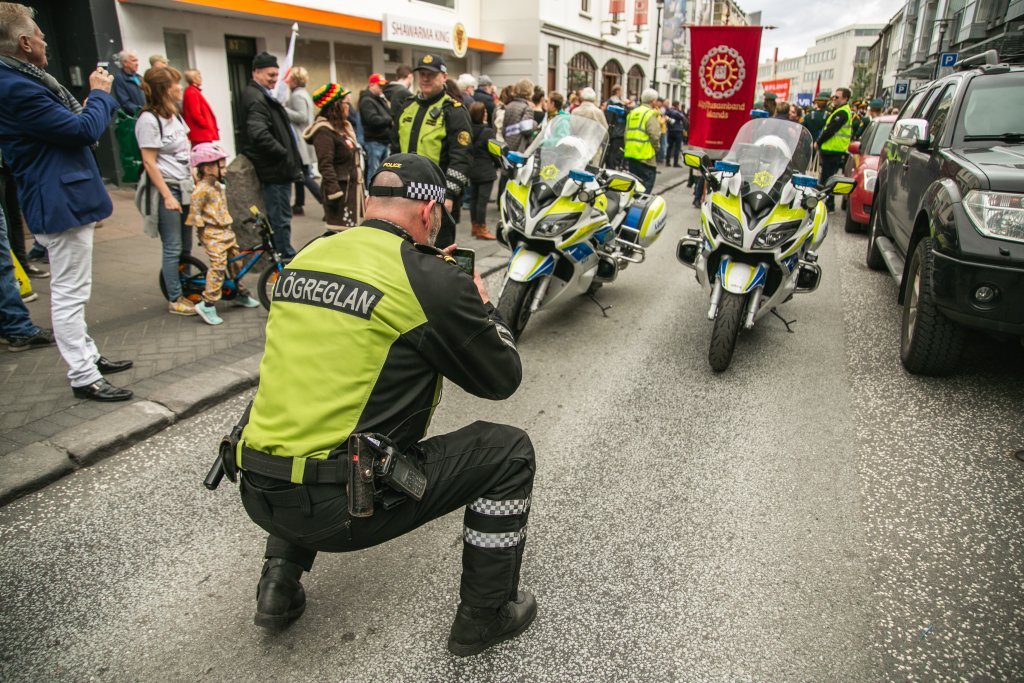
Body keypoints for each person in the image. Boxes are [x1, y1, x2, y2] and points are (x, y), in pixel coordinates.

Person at [233, 152, 536, 657]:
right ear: (429, 211)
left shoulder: (311, 253)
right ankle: (485, 615)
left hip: (255, 488)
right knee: (510, 453)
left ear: (370, 204)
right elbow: (502, 378)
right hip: (341, 508)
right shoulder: (427, 277)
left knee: (312, 408)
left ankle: (278, 585)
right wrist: (481, 303)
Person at [0, 2, 133, 400]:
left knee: (74, 289)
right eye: (40, 36)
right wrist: (100, 94)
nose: (45, 42)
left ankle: (88, 357)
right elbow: (81, 130)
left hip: (62, 197)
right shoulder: (16, 87)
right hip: (59, 201)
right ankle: (83, 375)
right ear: (25, 43)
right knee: (70, 294)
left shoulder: (21, 80)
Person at [394, 53, 472, 250]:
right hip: (404, 194)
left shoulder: (453, 111)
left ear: (444, 77)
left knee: (437, 253)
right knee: (404, 250)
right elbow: (394, 148)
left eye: (432, 74)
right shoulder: (407, 106)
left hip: (436, 196)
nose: (426, 79)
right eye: (422, 74)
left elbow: (461, 157)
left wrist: (450, 194)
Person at [136, 66, 196, 316]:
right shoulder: (148, 120)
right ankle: (175, 298)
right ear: (164, 89)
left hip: (185, 186)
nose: (180, 87)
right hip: (168, 188)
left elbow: (185, 149)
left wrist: (194, 175)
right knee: (173, 246)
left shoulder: (175, 115)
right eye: (175, 83)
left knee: (186, 246)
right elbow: (149, 162)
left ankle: (186, 287)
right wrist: (167, 196)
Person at [185, 143, 260, 325]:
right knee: (218, 267)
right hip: (212, 233)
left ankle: (239, 293)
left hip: (226, 231)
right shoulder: (201, 189)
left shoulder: (217, 186)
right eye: (222, 166)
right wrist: (203, 233)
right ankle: (207, 304)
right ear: (208, 168)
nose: (225, 170)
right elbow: (194, 213)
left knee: (236, 263)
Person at [240, 52, 302, 258]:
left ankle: (281, 254)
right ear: (256, 72)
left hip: (277, 168)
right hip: (275, 170)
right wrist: (282, 153)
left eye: (277, 75)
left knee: (281, 216)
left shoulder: (260, 95)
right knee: (280, 218)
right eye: (271, 75)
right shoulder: (256, 97)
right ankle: (284, 257)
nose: (275, 79)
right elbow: (258, 134)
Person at [304, 84, 363, 231]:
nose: (348, 107)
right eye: (346, 103)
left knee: (351, 234)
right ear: (336, 106)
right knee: (340, 235)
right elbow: (325, 165)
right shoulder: (323, 132)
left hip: (350, 191)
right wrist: (335, 193)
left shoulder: (341, 127)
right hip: (340, 195)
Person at [284, 66, 321, 216]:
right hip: (302, 140)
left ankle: (325, 201)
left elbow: (302, 116)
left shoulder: (297, 96)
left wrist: (283, 109)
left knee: (303, 174)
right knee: (299, 174)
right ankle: (298, 204)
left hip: (299, 141)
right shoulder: (303, 93)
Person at [816, 87, 853, 211]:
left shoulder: (842, 112)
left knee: (828, 179)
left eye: (837, 97)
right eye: (833, 96)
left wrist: (818, 142)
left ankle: (829, 204)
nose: (834, 99)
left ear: (845, 99)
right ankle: (826, 203)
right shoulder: (839, 110)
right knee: (827, 178)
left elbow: (830, 130)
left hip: (834, 150)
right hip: (832, 150)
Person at [467, 101, 497, 241]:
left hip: (472, 169)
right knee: (482, 201)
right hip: (486, 170)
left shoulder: (467, 130)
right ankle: (482, 228)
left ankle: (474, 226)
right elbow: (494, 151)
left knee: (474, 199)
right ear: (481, 114)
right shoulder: (488, 132)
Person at [623, 88, 660, 193]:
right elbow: (654, 136)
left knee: (635, 185)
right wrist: (657, 149)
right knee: (647, 183)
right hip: (645, 156)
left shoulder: (632, 113)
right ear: (653, 101)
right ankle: (641, 202)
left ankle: (633, 201)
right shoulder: (650, 114)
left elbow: (626, 134)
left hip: (631, 153)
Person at [359, 73, 393, 181]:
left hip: (383, 141)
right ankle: (371, 190)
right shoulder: (366, 101)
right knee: (374, 172)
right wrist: (389, 120)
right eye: (380, 85)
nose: (382, 88)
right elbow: (372, 119)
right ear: (371, 85)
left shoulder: (379, 99)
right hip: (374, 142)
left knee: (383, 172)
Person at [571, 87, 608, 166]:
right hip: (593, 148)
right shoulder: (598, 112)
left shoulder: (575, 111)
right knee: (591, 170)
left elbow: (571, 130)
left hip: (578, 148)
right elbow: (605, 132)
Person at [181, 69, 219, 146]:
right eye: (199, 77)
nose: (201, 79)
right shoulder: (192, 92)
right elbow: (195, 114)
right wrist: (206, 125)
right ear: (193, 79)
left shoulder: (193, 91)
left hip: (201, 133)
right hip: (200, 133)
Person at [500, 79, 535, 153]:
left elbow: (504, 130)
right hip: (520, 149)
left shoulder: (509, 106)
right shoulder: (527, 108)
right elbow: (526, 130)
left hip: (508, 146)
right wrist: (534, 124)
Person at [383, 64, 413, 146]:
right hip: (399, 137)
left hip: (388, 135)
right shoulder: (403, 93)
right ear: (410, 76)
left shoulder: (388, 91)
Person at [111, 50, 144, 115]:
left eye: (137, 60)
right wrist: (141, 111)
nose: (137, 63)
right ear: (125, 63)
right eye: (134, 60)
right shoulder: (119, 79)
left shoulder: (139, 77)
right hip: (134, 117)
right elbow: (125, 102)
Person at [603, 84, 627, 171]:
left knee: (610, 151)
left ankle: (610, 167)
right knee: (615, 152)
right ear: (617, 91)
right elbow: (622, 115)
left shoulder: (609, 102)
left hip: (612, 131)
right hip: (617, 131)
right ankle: (612, 169)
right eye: (621, 91)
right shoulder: (617, 104)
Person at [665, 101, 687, 167]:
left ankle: (667, 162)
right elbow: (682, 117)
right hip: (678, 131)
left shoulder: (668, 111)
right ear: (677, 105)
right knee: (677, 147)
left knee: (670, 146)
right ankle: (675, 163)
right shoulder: (677, 112)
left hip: (670, 130)